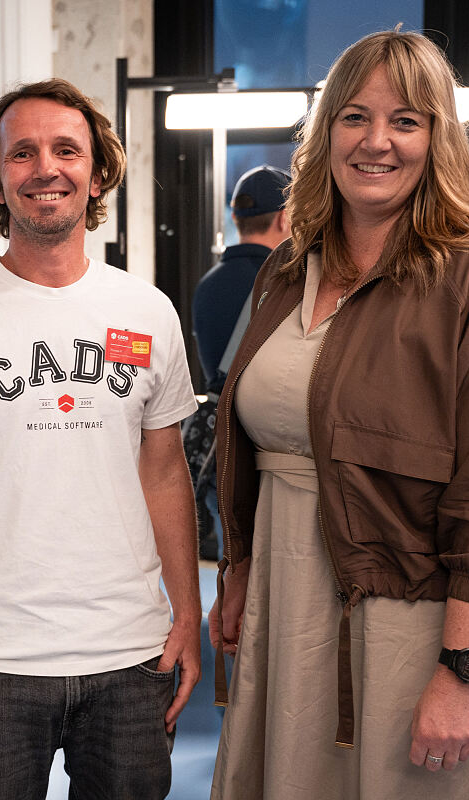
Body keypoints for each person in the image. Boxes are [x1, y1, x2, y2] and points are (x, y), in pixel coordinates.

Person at [208, 29, 469, 798]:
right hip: (288, 597)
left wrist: (463, 673)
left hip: (414, 618)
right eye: (355, 117)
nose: (377, 142)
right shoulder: (286, 272)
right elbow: (256, 443)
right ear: (326, 132)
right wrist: (238, 575)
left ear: (440, 140)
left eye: (406, 121)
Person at [0, 78, 201, 799]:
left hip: (129, 654)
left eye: (66, 149)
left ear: (97, 173)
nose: (45, 168)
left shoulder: (145, 310)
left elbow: (165, 472)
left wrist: (186, 614)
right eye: (21, 153)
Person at [188, 165, 292, 559]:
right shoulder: (284, 283)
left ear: (235, 217)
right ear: (285, 218)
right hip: (267, 452)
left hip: (220, 445)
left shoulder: (208, 283)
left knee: (233, 559)